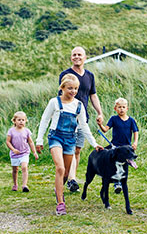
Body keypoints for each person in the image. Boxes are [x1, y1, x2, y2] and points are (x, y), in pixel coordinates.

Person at [36, 76, 103, 216]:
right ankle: (60, 203)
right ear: (62, 88)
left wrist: (94, 144)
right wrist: (39, 140)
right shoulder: (54, 102)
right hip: (56, 137)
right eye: (70, 88)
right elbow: (44, 120)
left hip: (70, 139)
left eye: (76, 88)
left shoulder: (79, 105)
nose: (73, 91)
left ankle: (58, 187)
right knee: (59, 168)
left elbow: (84, 126)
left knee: (66, 173)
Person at [59, 46, 104, 193]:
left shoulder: (89, 76)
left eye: (79, 54)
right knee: (70, 150)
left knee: (77, 150)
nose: (76, 57)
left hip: (82, 118)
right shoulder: (65, 74)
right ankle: (70, 179)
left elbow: (93, 95)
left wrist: (99, 112)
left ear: (85, 58)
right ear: (71, 57)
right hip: (67, 118)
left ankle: (71, 178)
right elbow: (61, 94)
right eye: (74, 55)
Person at [97, 97, 139, 193]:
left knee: (124, 166)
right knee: (115, 165)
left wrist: (135, 142)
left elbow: (135, 131)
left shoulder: (131, 120)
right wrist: (100, 125)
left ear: (127, 108)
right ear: (115, 108)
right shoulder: (114, 119)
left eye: (123, 107)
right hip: (116, 147)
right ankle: (117, 183)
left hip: (127, 148)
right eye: (119, 107)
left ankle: (121, 182)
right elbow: (105, 130)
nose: (121, 109)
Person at [6, 111, 38, 192]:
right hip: (14, 154)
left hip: (24, 153)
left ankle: (24, 185)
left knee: (24, 167)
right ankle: (15, 184)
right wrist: (13, 149)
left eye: (23, 120)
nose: (21, 121)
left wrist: (34, 152)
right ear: (14, 121)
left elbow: (30, 142)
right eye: (19, 120)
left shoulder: (26, 131)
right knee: (15, 170)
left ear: (25, 121)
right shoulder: (11, 131)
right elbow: (8, 142)